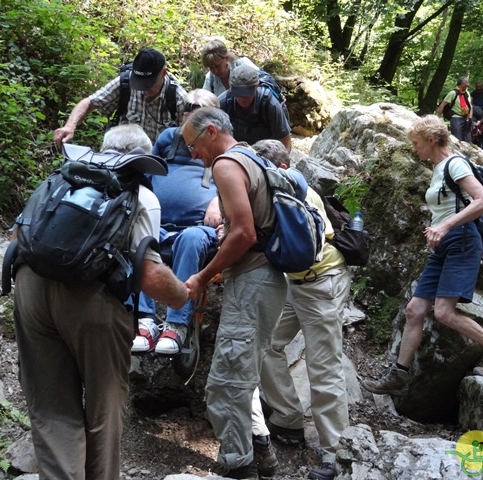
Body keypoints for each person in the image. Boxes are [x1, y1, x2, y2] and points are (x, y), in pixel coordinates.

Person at [13, 124, 189, 480]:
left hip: (30, 288)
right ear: (142, 156)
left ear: (104, 147)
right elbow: (150, 276)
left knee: (51, 408)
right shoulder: (140, 195)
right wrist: (183, 294)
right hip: (92, 302)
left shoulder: (61, 178)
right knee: (103, 407)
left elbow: (18, 234)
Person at [361, 115, 483, 398]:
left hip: (463, 241)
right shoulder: (438, 169)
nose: (414, 149)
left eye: (417, 143)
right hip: (445, 244)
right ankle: (398, 375)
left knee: (443, 313)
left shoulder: (455, 164)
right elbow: (447, 207)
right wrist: (437, 227)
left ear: (431, 140)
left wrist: (444, 225)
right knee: (414, 309)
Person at [183, 107, 288, 479]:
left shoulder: (228, 165)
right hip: (268, 281)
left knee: (225, 385)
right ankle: (261, 455)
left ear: (211, 132)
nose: (193, 154)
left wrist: (203, 274)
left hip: (254, 280)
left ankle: (237, 467)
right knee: (243, 376)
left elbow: (245, 233)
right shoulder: (253, 157)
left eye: (193, 145)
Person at [253, 139, 352, 480]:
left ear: (278, 168)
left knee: (323, 368)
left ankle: (335, 453)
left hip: (322, 283)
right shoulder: (276, 190)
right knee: (265, 344)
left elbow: (316, 239)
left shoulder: (297, 192)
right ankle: (288, 418)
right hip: (297, 284)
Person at [130, 89, 222, 355]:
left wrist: (219, 201)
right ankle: (144, 321)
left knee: (191, 239)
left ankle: (176, 324)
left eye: (197, 109)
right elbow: (147, 170)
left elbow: (236, 182)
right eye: (187, 108)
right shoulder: (168, 139)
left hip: (197, 227)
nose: (189, 112)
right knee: (136, 237)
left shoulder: (219, 146)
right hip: (158, 223)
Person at [54, 48, 187, 146]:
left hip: (159, 161)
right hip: (123, 154)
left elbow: (189, 138)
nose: (144, 89)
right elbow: (90, 102)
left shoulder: (178, 98)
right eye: (140, 83)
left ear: (164, 73)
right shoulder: (126, 82)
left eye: (149, 83)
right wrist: (70, 126)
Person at [219, 64, 292, 152]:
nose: (242, 97)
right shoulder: (223, 102)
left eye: (247, 92)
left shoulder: (270, 104)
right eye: (238, 92)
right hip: (234, 152)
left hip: (265, 154)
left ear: (256, 86)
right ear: (231, 87)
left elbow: (285, 141)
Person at [437, 75, 473, 143]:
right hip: (456, 118)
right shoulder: (453, 93)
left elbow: (470, 106)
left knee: (468, 140)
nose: (468, 84)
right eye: (467, 83)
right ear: (462, 84)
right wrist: (438, 119)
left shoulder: (467, 93)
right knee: (457, 139)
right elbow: (442, 105)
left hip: (466, 118)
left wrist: (470, 118)